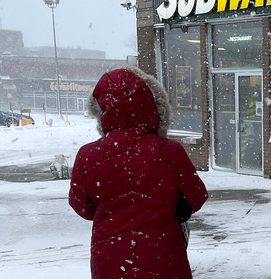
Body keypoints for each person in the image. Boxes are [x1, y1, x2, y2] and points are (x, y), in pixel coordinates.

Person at [69, 66, 209, 279]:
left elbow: (81, 206)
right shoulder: (170, 151)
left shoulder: (88, 155)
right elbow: (197, 196)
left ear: (103, 111)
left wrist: (110, 209)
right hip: (164, 257)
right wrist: (180, 208)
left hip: (111, 258)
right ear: (150, 105)